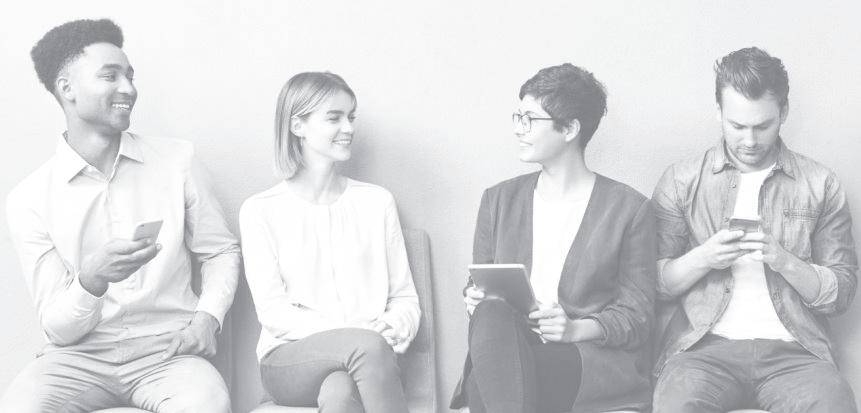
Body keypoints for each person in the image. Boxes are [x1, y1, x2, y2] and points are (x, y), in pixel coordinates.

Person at [1, 19, 240, 412]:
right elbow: (58, 328)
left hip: (168, 350)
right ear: (67, 88)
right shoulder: (29, 199)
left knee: (207, 404)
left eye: (130, 76)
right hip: (78, 358)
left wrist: (206, 319)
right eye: (110, 76)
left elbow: (220, 252)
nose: (128, 88)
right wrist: (91, 279)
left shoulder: (178, 161)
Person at [651, 47, 857, 412]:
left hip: (795, 353)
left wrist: (784, 261)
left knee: (834, 404)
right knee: (676, 405)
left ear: (784, 113)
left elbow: (841, 294)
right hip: (703, 352)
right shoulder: (682, 180)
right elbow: (652, 285)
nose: (749, 140)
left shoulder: (820, 183)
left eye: (763, 126)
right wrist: (704, 258)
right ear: (718, 112)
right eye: (737, 126)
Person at [450, 63, 656, 413]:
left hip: (584, 358)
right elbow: (480, 285)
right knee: (490, 313)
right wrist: (474, 296)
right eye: (518, 117)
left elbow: (637, 316)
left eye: (530, 119)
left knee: (484, 384)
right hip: (509, 344)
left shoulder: (629, 209)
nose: (518, 128)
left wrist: (576, 329)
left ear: (570, 128)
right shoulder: (497, 200)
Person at [239, 72, 421, 412]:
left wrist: (392, 327)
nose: (349, 128)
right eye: (334, 118)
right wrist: (358, 334)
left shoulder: (377, 202)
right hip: (287, 360)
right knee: (365, 347)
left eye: (351, 117)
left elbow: (404, 298)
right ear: (298, 126)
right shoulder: (260, 210)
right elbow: (274, 313)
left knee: (339, 394)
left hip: (369, 360)